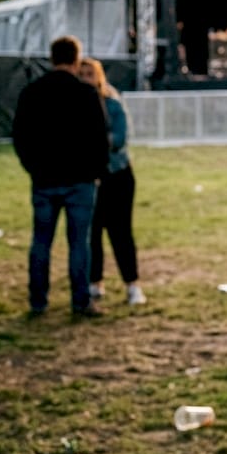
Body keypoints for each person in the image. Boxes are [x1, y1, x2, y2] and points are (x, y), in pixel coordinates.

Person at [12, 36, 110, 319]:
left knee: (41, 241)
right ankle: (80, 301)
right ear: (76, 59)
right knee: (79, 243)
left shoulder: (32, 92)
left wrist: (32, 166)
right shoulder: (87, 94)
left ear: (52, 58)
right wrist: (97, 172)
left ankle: (38, 301)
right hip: (80, 179)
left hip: (44, 178)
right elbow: (99, 138)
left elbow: (20, 135)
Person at [79, 58, 146, 306]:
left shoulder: (112, 104)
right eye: (81, 74)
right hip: (90, 177)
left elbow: (119, 137)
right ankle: (95, 282)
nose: (86, 79)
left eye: (90, 74)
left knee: (120, 232)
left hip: (116, 175)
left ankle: (132, 284)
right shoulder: (75, 106)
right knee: (92, 233)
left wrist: (94, 141)